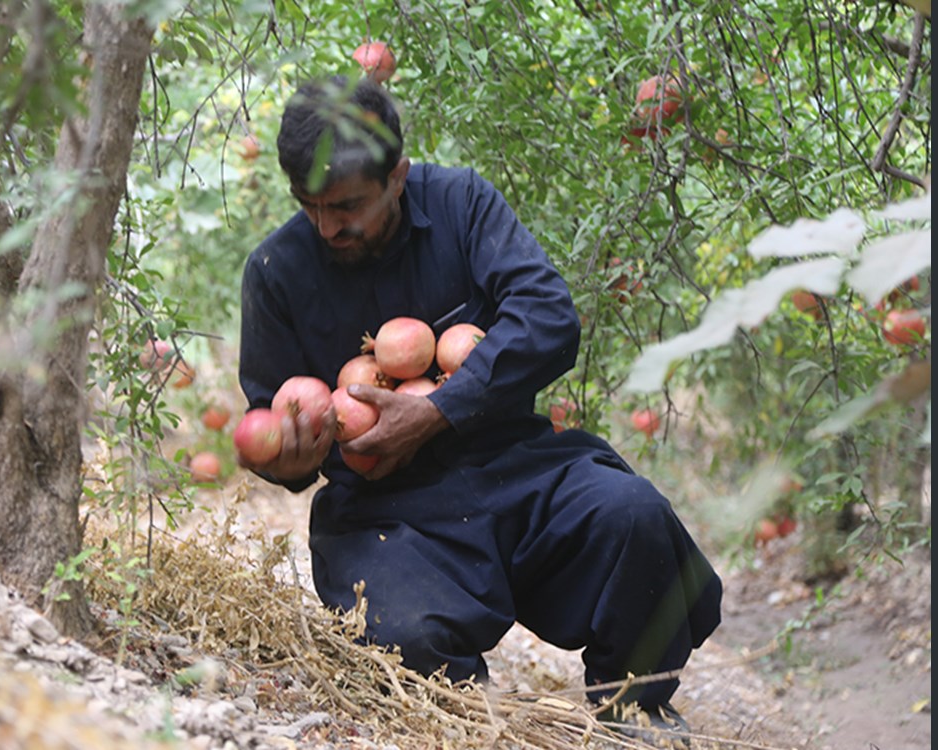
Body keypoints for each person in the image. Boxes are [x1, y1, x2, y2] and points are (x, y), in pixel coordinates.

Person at [236, 75, 722, 741]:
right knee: (401, 636)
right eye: (309, 205)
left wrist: (438, 410)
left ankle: (634, 709)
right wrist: (288, 461)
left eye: (346, 206)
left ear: (398, 177)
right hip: (385, 517)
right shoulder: (275, 271)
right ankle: (476, 726)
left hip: (515, 468)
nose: (327, 226)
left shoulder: (461, 203)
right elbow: (275, 428)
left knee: (635, 518)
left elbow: (550, 319)